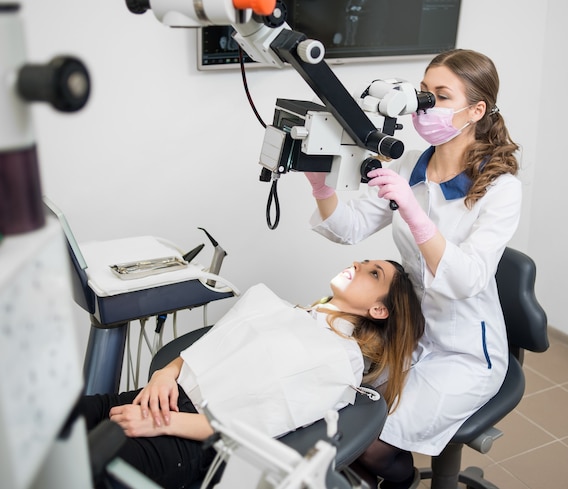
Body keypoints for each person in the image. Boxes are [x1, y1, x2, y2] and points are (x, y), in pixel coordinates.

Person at [305, 48, 522, 488]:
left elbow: (467, 280)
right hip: (409, 331)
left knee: (371, 439)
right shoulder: (409, 164)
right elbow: (349, 228)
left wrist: (414, 210)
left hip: (464, 351)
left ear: (476, 110)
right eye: (423, 93)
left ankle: (398, 479)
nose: (425, 105)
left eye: (440, 96)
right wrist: (321, 186)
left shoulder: (501, 189)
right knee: (336, 409)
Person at [80, 259, 423, 489]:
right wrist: (164, 376)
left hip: (189, 439)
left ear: (378, 309)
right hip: (160, 396)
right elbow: (205, 351)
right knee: (50, 423)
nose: (357, 266)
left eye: (373, 274)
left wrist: (163, 423)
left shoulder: (339, 361)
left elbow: (252, 426)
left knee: (75, 471)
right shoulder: (287, 312)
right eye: (363, 262)